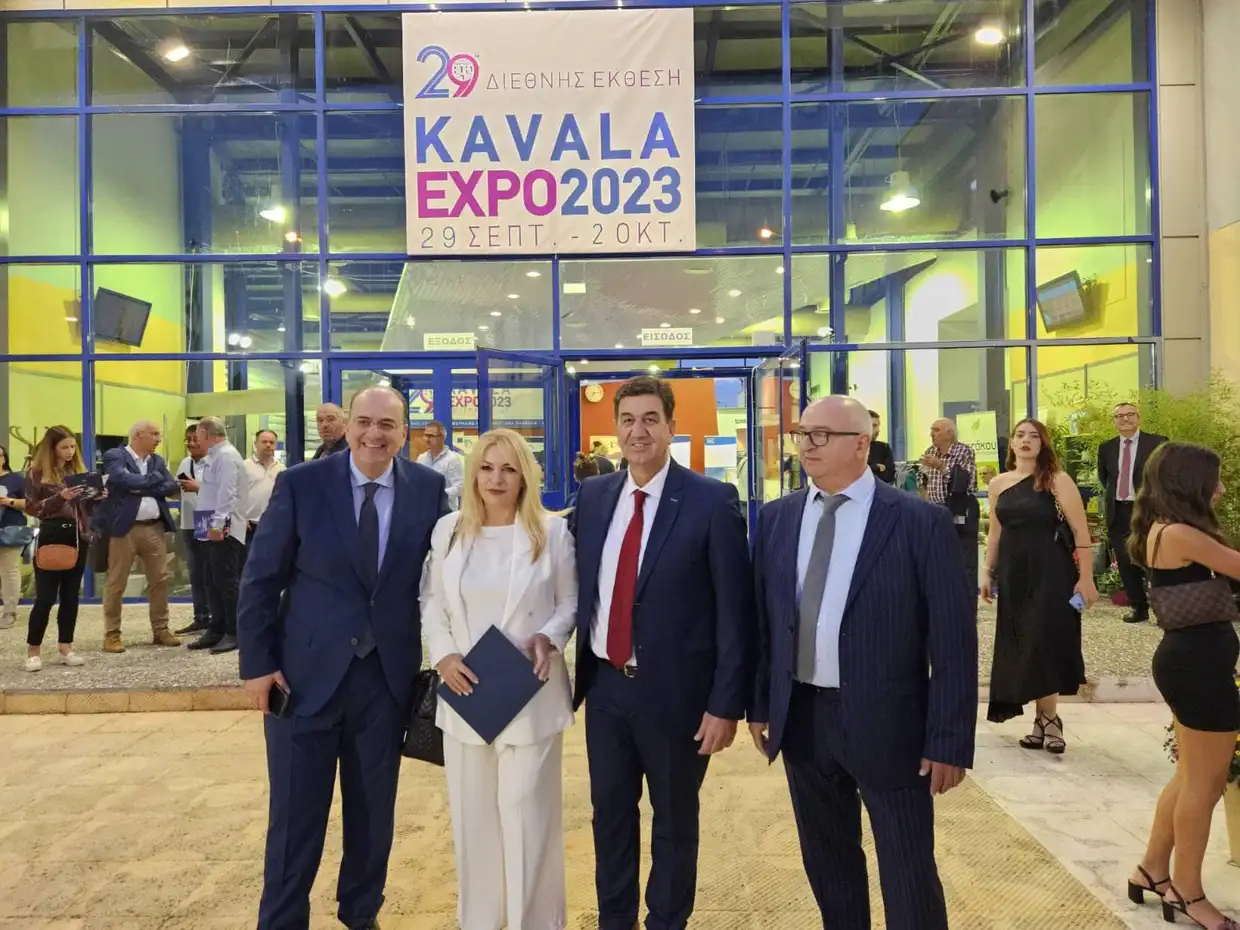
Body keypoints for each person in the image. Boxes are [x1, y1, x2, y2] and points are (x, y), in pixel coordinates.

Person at [748, 396, 977, 930]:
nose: (807, 444)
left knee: (908, 870)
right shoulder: (777, 518)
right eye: (803, 433)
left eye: (821, 434)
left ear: (861, 444)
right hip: (803, 718)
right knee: (829, 866)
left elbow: (952, 640)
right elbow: (765, 622)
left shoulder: (918, 522)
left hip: (890, 723)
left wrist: (948, 739)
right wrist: (760, 704)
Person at [238, 386, 448, 930]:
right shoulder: (301, 484)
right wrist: (256, 664)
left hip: (385, 682)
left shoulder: (428, 490)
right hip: (301, 681)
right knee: (294, 818)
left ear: (404, 433)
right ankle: (282, 920)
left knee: (373, 814)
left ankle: (361, 913)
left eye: (387, 425)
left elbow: (453, 571)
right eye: (364, 422)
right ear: (347, 425)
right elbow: (260, 579)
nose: (374, 434)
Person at [570, 376, 754, 930]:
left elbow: (735, 612)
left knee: (673, 821)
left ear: (672, 426)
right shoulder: (595, 497)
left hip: (677, 696)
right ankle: (616, 919)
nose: (638, 431)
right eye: (628, 420)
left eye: (651, 419)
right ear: (615, 428)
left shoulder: (711, 500)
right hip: (606, 690)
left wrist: (725, 704)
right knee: (609, 817)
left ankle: (666, 922)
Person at [423, 428, 577, 930]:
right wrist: (444, 655)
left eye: (509, 469)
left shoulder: (552, 532)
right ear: (473, 474)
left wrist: (550, 636)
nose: (496, 479)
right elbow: (433, 601)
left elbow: (570, 601)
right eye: (487, 468)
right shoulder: (448, 530)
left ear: (525, 476)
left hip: (530, 695)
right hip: (467, 696)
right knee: (474, 824)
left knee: (527, 817)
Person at [1124, 443, 1240, 930]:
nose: (1221, 489)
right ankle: (1188, 893)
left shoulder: (1162, 529)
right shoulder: (1181, 534)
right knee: (1204, 786)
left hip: (1189, 662)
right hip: (1199, 667)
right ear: (1189, 483)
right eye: (1214, 480)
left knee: (1190, 777)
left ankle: (1152, 870)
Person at [981, 419, 1096, 750]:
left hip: (1051, 571)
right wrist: (987, 571)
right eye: (1020, 435)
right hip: (1014, 574)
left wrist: (1086, 577)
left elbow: (1081, 532)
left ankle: (1049, 719)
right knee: (1022, 643)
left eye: (1034, 436)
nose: (1026, 440)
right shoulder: (998, 483)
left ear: (1043, 443)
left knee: (1045, 640)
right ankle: (1042, 719)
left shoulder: (1057, 480)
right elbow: (995, 532)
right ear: (1012, 443)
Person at [96, 420, 182, 653]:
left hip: (154, 528)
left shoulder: (157, 461)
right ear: (137, 435)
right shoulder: (115, 456)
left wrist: (139, 486)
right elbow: (121, 480)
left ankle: (161, 630)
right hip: (124, 529)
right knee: (116, 582)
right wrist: (153, 481)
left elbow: (170, 486)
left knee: (160, 580)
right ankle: (112, 635)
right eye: (154, 434)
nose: (158, 439)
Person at [22, 427, 96, 672]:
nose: (70, 451)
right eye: (64, 447)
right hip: (52, 535)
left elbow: (85, 509)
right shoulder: (36, 473)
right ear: (52, 448)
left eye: (73, 446)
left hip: (78, 537)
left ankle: (66, 646)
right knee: (45, 597)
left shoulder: (77, 473)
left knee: (70, 596)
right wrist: (60, 497)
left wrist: (96, 497)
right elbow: (32, 508)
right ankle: (33, 650)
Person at [1098, 402, 1167, 623]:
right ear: (1114, 421)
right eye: (1119, 416)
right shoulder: (1106, 447)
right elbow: (1104, 478)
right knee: (1125, 561)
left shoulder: (1157, 443)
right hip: (1118, 511)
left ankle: (1164, 610)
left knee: (1152, 559)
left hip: (1146, 510)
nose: (1125, 419)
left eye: (1130, 414)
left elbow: (1165, 475)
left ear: (1138, 417)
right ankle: (1139, 608)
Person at [184, 417, 248, 655]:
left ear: (205, 433)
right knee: (211, 580)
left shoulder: (227, 456)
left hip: (223, 527)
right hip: (207, 522)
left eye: (197, 434)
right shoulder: (214, 456)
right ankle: (216, 628)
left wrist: (219, 524)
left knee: (226, 582)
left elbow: (227, 493)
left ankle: (233, 632)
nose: (195, 439)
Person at [918, 418, 979, 589]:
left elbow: (967, 482)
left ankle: (966, 598)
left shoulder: (964, 451)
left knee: (963, 560)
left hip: (958, 510)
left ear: (949, 433)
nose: (932, 434)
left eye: (936, 430)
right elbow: (921, 479)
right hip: (934, 511)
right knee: (937, 559)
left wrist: (941, 466)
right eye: (931, 430)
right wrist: (926, 501)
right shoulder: (930, 451)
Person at [173, 424, 211, 637]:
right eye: (188, 439)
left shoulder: (216, 463)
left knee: (212, 571)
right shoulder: (185, 463)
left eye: (195, 439)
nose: (191, 443)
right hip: (188, 520)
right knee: (195, 572)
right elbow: (178, 491)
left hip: (209, 518)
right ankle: (200, 617)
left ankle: (217, 617)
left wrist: (199, 487)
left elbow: (226, 492)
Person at [0, 443, 28, 630]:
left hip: (9, 529)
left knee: (9, 571)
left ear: (4, 459)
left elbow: (30, 503)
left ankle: (9, 612)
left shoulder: (15, 479)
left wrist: (9, 501)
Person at [243, 429, 285, 539]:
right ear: (255, 444)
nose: (268, 445)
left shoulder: (281, 469)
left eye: (272, 442)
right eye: (264, 442)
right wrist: (241, 518)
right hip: (249, 525)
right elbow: (234, 494)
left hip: (274, 524)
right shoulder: (244, 466)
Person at [417, 421, 465, 511]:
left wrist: (440, 494)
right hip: (424, 511)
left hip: (446, 511)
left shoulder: (452, 459)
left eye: (430, 436)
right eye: (426, 435)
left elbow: (460, 486)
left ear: (442, 438)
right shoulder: (421, 459)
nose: (427, 439)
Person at [867, 409, 895, 485]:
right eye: (873, 426)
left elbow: (889, 476)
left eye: (878, 426)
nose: (878, 430)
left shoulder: (884, 448)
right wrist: (876, 467)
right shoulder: (851, 448)